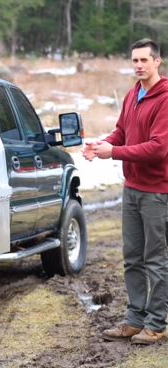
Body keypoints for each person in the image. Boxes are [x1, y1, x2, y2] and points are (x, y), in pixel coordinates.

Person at [83, 38, 168, 345]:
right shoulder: (133, 94)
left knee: (155, 259)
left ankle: (157, 324)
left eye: (144, 60)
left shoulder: (165, 98)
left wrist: (114, 153)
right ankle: (135, 319)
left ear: (157, 62)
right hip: (131, 189)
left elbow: (159, 148)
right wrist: (100, 144)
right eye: (134, 60)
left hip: (157, 192)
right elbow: (121, 132)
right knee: (132, 258)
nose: (138, 65)